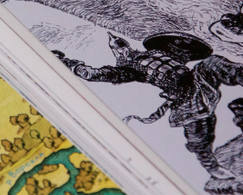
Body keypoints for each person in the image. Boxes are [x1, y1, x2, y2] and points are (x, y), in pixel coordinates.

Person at [57, 32, 243, 180]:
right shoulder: (129, 69)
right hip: (185, 100)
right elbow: (93, 74)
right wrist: (68, 63)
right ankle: (212, 167)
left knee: (213, 63)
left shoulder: (159, 51)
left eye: (121, 44)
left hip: (198, 81)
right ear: (117, 53)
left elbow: (186, 47)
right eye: (117, 48)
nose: (122, 49)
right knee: (200, 136)